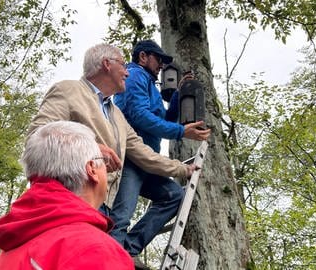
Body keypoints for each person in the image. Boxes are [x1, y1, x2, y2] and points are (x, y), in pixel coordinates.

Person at [26, 43, 198, 269]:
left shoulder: (116, 115)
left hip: (104, 198)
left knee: (106, 247)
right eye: (123, 65)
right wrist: (90, 147)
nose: (127, 71)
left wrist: (181, 169)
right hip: (73, 197)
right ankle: (121, 249)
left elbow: (141, 149)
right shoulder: (68, 90)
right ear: (107, 64)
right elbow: (37, 137)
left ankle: (124, 249)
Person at [111, 40, 211, 260]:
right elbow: (139, 116)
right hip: (130, 157)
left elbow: (163, 118)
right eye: (159, 60)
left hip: (147, 162)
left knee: (173, 196)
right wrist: (180, 132)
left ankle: (126, 250)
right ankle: (110, 260)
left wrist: (177, 94)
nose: (162, 66)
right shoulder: (135, 75)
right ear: (143, 57)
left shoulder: (149, 85)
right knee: (122, 215)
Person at [0, 121, 133, 269]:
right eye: (104, 161)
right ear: (91, 169)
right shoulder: (96, 250)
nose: (107, 169)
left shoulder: (9, 250)